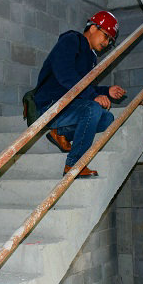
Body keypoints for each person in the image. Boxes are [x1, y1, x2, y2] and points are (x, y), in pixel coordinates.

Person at [33, 11, 126, 177]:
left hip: (68, 106)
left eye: (110, 41)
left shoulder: (91, 58)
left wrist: (106, 91)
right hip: (51, 104)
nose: (106, 43)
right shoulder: (71, 40)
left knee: (107, 119)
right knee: (92, 109)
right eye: (106, 36)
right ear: (93, 28)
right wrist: (93, 96)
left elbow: (85, 87)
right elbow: (65, 74)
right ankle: (74, 164)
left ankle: (61, 133)